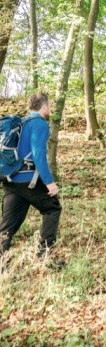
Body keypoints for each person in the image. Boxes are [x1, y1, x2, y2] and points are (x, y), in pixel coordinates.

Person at [0, 93, 62, 257]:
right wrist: (49, 182)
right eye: (49, 105)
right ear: (44, 106)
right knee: (52, 208)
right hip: (28, 181)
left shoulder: (20, 123)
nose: (50, 108)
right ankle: (44, 256)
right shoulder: (39, 124)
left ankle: (1, 261)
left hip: (11, 180)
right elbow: (38, 155)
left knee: (7, 227)